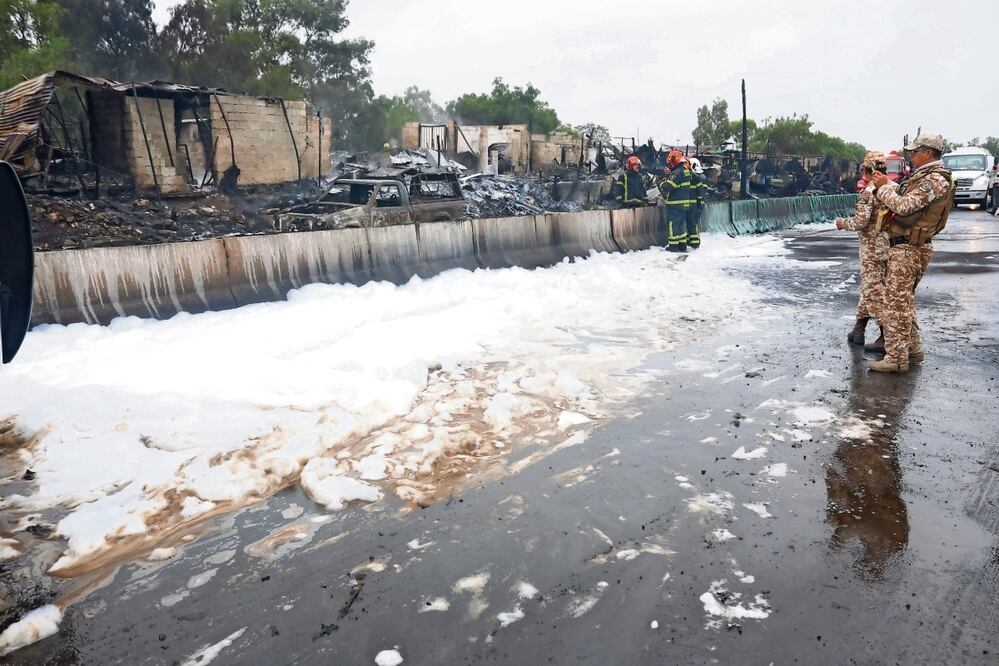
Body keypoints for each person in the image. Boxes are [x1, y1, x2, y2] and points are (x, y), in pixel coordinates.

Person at [867, 133, 956, 373]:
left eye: (915, 152)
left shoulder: (934, 179)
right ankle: (913, 349)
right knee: (903, 301)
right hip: (908, 246)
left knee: (895, 304)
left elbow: (904, 206)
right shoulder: (926, 177)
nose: (912, 156)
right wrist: (887, 184)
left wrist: (883, 189)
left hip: (910, 248)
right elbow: (907, 197)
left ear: (928, 153)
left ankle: (896, 359)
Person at [835, 151, 889, 347]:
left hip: (872, 248)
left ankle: (886, 335)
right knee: (870, 287)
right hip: (888, 245)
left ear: (866, 169)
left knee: (874, 290)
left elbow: (861, 221)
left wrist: (843, 223)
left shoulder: (869, 191)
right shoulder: (892, 187)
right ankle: (859, 329)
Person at [659, 150, 694, 251]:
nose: (670, 165)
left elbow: (669, 186)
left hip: (674, 204)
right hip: (684, 203)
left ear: (674, 161)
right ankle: (682, 245)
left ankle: (673, 246)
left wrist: (661, 183)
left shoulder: (677, 173)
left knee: (672, 225)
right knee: (680, 225)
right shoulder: (685, 171)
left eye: (670, 163)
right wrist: (670, 174)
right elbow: (679, 180)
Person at [687, 158, 706, 249]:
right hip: (696, 204)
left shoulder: (698, 178)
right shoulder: (700, 177)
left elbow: (701, 193)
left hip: (696, 204)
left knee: (693, 223)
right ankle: (692, 240)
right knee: (693, 223)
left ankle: (695, 242)